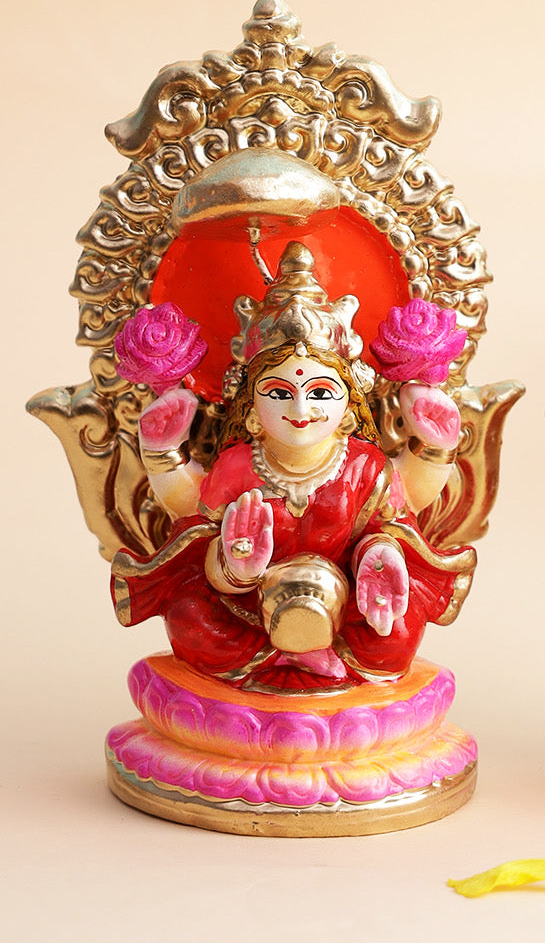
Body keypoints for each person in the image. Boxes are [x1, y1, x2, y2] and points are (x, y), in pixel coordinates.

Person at [112, 244, 474, 692]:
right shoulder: (238, 466)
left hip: (346, 601)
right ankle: (296, 654)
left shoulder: (364, 466)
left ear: (348, 408)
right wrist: (234, 567)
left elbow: (395, 521)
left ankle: (306, 653)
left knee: (398, 630)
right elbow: (193, 525)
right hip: (250, 607)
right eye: (280, 393)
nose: (301, 409)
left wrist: (379, 556)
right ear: (250, 411)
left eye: (320, 392)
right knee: (189, 617)